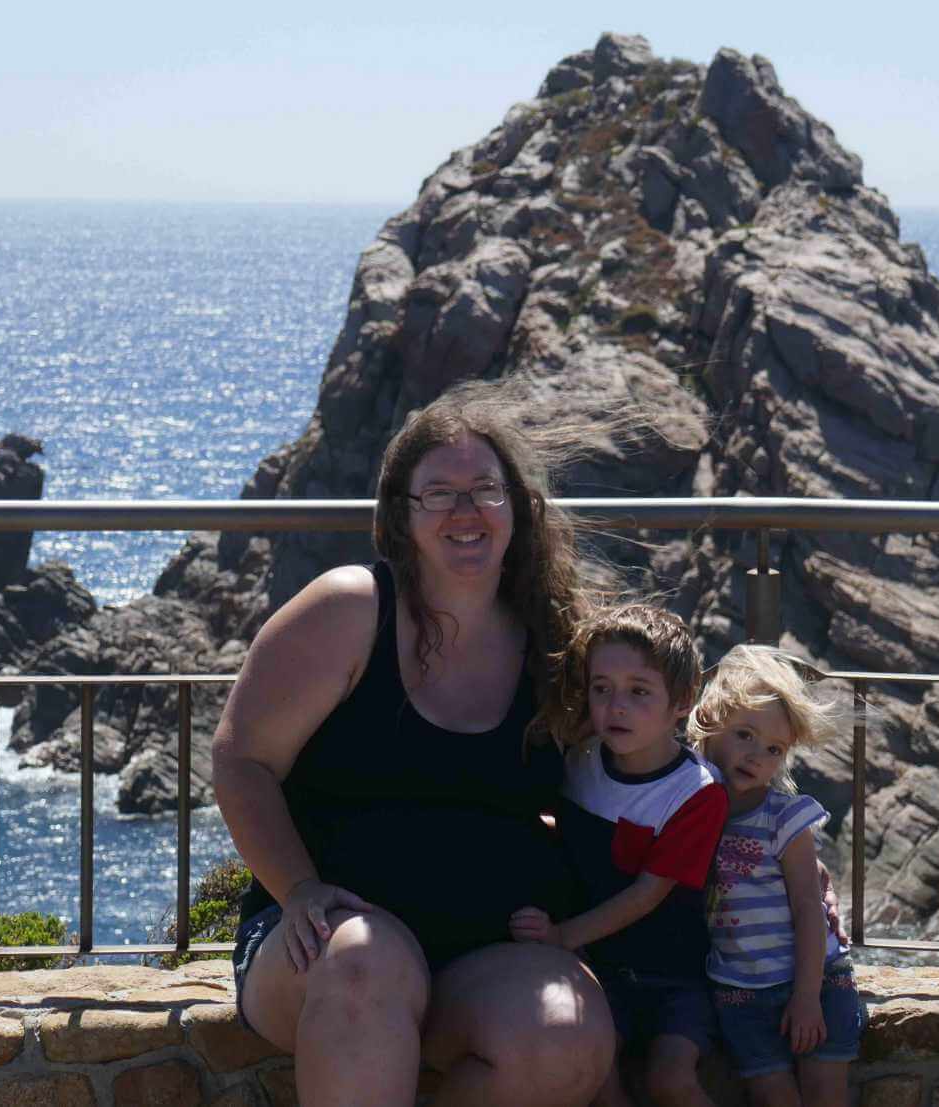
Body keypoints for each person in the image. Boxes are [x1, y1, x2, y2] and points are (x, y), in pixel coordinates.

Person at [211, 379, 617, 1107]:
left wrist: (779, 854)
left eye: (485, 488)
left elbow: (633, 771)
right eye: (439, 493)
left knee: (566, 1033)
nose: (466, 510)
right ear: (401, 513)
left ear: (517, 508)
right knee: (368, 962)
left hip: (482, 952)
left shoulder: (557, 641)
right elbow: (240, 758)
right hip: (323, 948)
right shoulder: (350, 609)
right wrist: (297, 887)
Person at [511, 604, 729, 1107]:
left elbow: (648, 894)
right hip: (600, 972)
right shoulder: (582, 762)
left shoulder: (695, 794)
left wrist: (562, 936)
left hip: (676, 978)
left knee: (670, 1080)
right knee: (593, 1075)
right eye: (601, 688)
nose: (616, 706)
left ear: (683, 700)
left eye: (639, 691)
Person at [693, 645, 866, 1107]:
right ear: (710, 719)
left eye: (774, 749)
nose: (757, 756)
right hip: (739, 992)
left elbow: (809, 908)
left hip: (815, 981)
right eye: (745, 735)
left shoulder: (785, 819)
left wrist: (807, 996)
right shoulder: (686, 808)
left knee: (825, 1094)